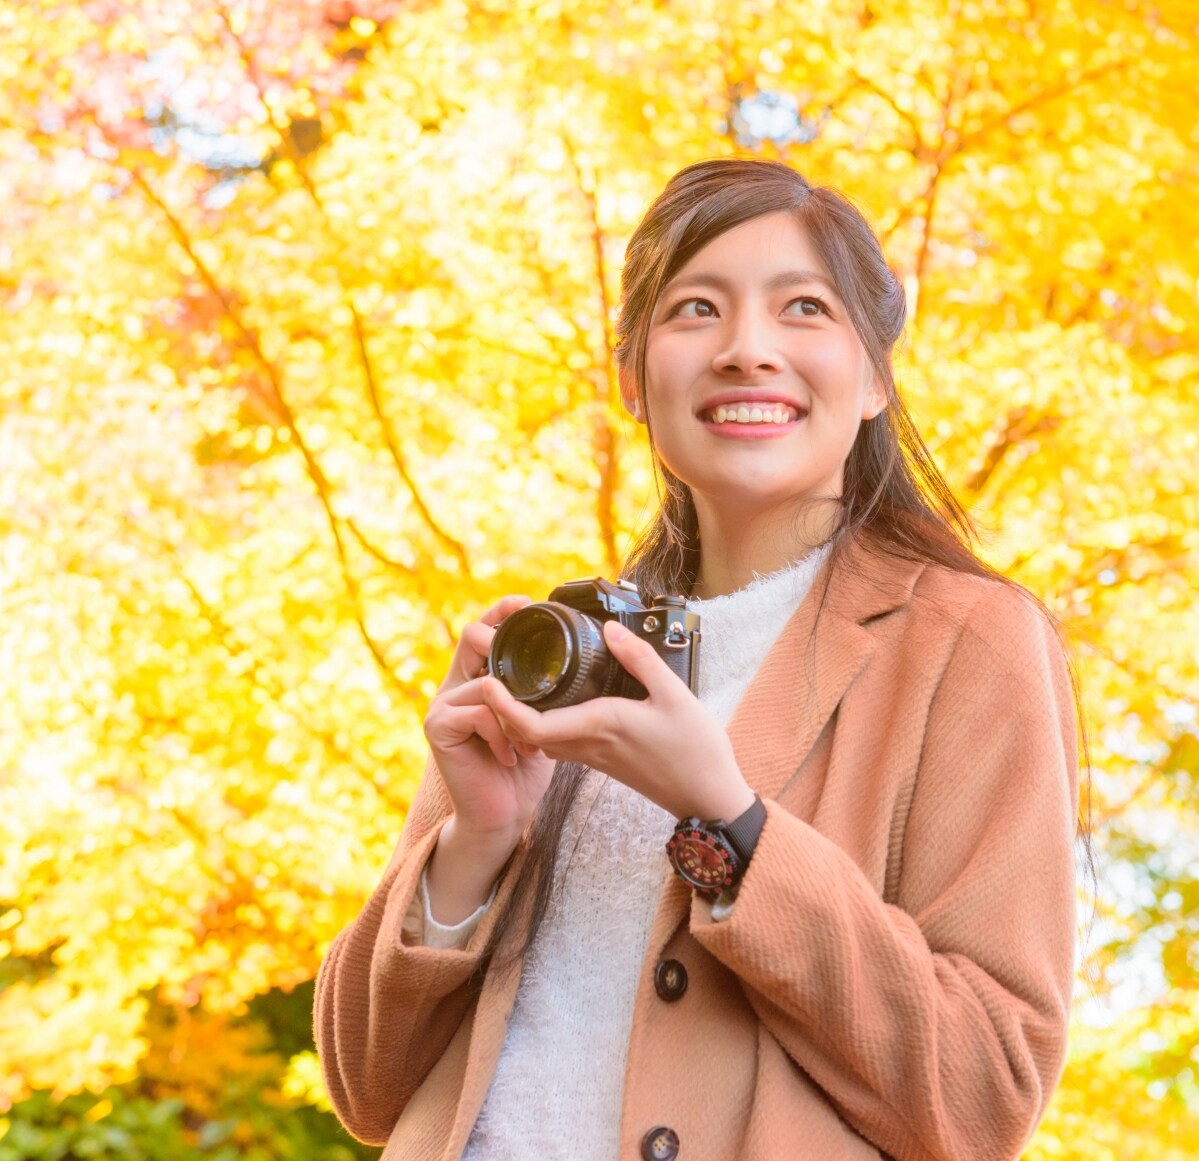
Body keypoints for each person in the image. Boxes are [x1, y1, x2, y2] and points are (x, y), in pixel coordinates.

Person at [314, 157, 1092, 1161]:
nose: (747, 350)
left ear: (873, 379)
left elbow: (983, 1091)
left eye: (803, 308)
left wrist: (730, 824)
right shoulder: (566, 650)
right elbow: (365, 1089)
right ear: (633, 382)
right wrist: (475, 842)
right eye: (695, 310)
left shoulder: (964, 639)